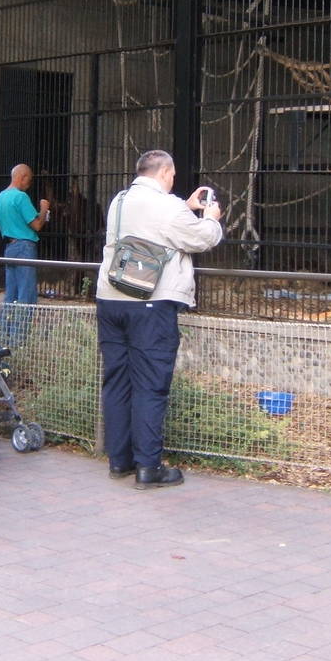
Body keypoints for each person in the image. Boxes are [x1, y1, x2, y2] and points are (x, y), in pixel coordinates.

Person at [95, 149, 222, 490]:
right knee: (150, 385)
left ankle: (119, 460)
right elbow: (201, 238)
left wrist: (184, 204)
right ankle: (148, 467)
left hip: (110, 299)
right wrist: (210, 216)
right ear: (166, 172)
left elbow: (152, 219)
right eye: (172, 175)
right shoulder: (167, 208)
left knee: (117, 382)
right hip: (150, 303)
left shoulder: (119, 200)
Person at [0, 163, 49, 348]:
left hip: (9, 247)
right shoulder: (20, 197)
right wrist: (43, 208)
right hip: (25, 246)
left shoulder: (0, 198)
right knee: (26, 295)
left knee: (11, 294)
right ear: (22, 177)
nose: (29, 184)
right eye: (29, 179)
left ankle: (3, 336)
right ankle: (19, 342)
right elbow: (37, 225)